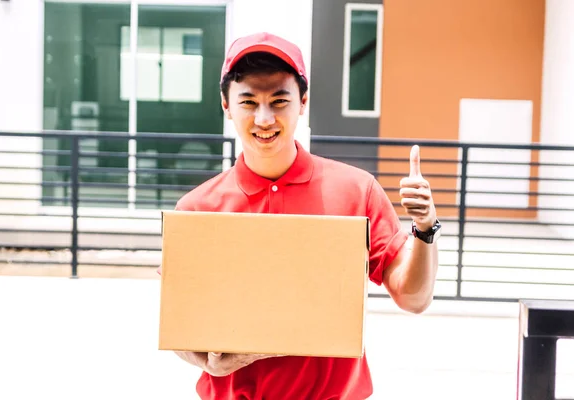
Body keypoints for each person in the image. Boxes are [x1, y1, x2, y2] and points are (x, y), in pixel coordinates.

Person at [158, 32, 441, 400]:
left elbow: (413, 298)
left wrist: (424, 228)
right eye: (248, 101)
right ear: (226, 105)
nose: (264, 118)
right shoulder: (197, 209)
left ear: (302, 102)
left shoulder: (356, 191)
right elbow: (180, 329)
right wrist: (206, 360)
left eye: (279, 101)